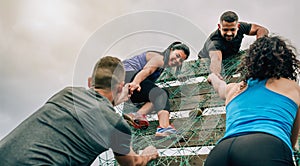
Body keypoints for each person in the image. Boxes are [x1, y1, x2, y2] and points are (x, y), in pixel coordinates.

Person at [0, 56, 158, 165]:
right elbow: (132, 163)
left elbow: (95, 104)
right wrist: (148, 153)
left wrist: (117, 97)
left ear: (90, 82)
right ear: (119, 86)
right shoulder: (116, 124)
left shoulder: (66, 93)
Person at [204, 36, 300, 166]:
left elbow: (218, 84)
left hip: (221, 152)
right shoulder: (292, 87)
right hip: (266, 147)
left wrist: (212, 77)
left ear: (250, 61)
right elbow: (292, 136)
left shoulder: (234, 88)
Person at [122, 41, 190, 137]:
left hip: (130, 86)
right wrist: (135, 82)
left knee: (160, 95)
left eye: (181, 61)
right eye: (177, 55)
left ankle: (136, 115)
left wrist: (179, 76)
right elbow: (147, 70)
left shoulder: (164, 65)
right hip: (126, 76)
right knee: (160, 94)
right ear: (170, 50)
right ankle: (164, 127)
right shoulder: (159, 58)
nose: (177, 61)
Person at [198, 10, 269, 80]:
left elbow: (262, 29)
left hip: (230, 56)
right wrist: (215, 74)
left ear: (238, 26)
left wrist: (259, 44)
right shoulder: (215, 42)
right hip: (207, 61)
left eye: (232, 30)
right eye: (225, 30)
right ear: (219, 27)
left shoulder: (241, 27)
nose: (229, 33)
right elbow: (216, 59)